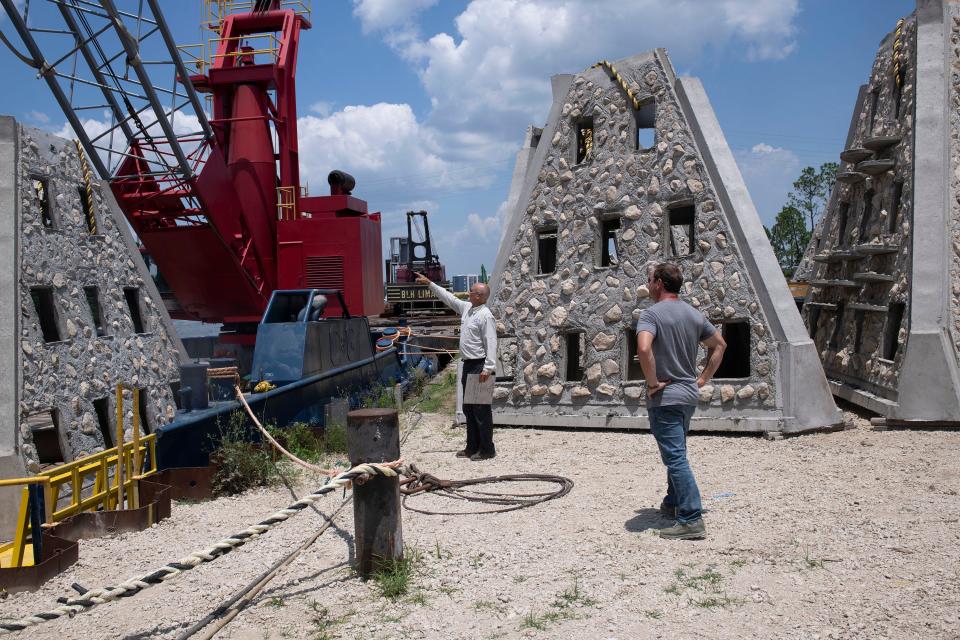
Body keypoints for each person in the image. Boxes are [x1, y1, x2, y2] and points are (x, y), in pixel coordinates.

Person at [636, 262, 726, 540]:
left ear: (660, 283)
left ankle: (690, 517)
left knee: (675, 457)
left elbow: (643, 348)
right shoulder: (694, 314)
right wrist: (702, 380)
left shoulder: (650, 315)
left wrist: (652, 383)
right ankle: (673, 502)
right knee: (677, 450)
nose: (647, 284)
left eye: (649, 279)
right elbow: (720, 345)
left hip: (665, 397)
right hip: (688, 396)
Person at [414, 273, 498, 460]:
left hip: (480, 365)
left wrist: (488, 368)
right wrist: (430, 284)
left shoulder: (486, 316)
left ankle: (487, 449)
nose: (468, 293)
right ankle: (472, 447)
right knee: (469, 409)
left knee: (481, 410)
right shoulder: (468, 308)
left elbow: (491, 342)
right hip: (469, 364)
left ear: (480, 296)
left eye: (472, 291)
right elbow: (449, 298)